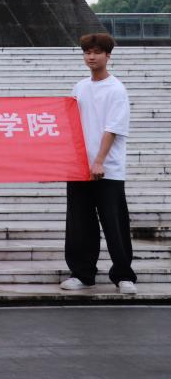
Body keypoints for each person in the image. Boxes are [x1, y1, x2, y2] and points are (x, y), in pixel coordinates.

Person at [61, 33, 137, 295]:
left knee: (114, 223)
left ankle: (124, 275)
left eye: (96, 52)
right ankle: (82, 273)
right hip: (79, 168)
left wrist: (99, 161)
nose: (91, 57)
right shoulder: (80, 88)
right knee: (79, 224)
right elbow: (71, 123)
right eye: (87, 52)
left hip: (108, 169)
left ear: (108, 55)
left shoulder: (116, 89)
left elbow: (112, 128)